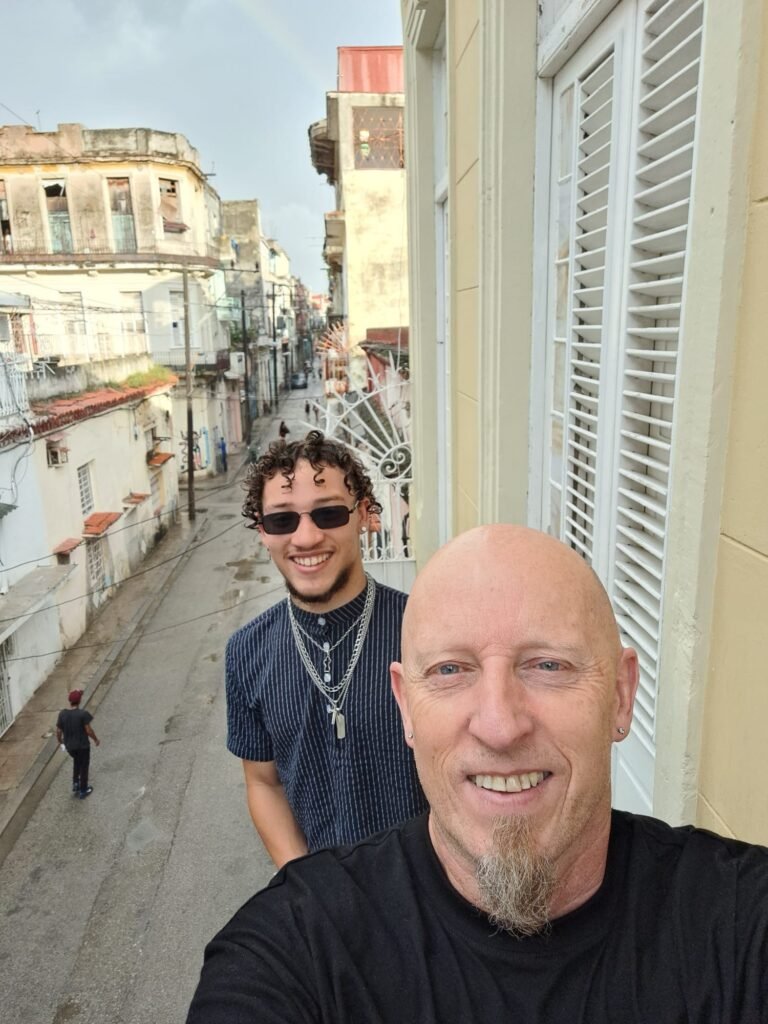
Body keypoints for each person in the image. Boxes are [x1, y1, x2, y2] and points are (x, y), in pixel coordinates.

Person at [188, 526, 768, 1022]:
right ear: (406, 707)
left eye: (548, 664)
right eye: (449, 670)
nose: (499, 725)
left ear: (620, 695)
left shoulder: (740, 923)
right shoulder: (296, 947)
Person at [225, 429, 427, 869]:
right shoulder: (246, 651)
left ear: (366, 516)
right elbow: (264, 783)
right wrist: (305, 883)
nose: (306, 537)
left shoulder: (425, 631)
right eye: (283, 520)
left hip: (433, 897)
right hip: (323, 913)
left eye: (329, 514)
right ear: (263, 531)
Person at [56, 689, 100, 800]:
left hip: (70, 747)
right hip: (82, 746)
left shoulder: (62, 714)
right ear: (79, 701)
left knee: (77, 762)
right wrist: (95, 739)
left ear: (69, 701)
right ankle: (83, 790)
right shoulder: (83, 714)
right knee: (84, 766)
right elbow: (88, 730)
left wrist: (60, 741)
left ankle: (75, 783)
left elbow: (58, 731)